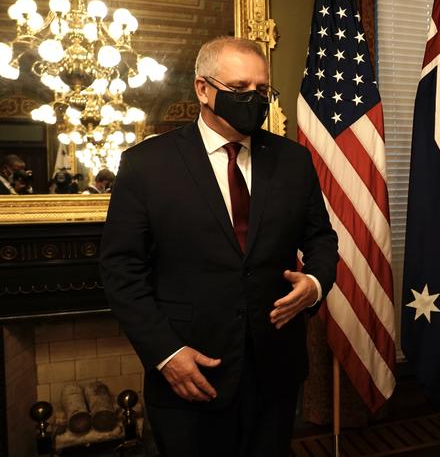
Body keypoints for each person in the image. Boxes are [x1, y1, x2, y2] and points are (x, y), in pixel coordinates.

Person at [100, 36, 338, 457]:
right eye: (239, 89)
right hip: (190, 372)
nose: (254, 99)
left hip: (274, 369)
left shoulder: (293, 160)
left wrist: (316, 284)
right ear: (202, 89)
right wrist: (166, 353)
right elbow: (121, 272)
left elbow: (321, 238)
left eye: (261, 90)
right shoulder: (146, 165)